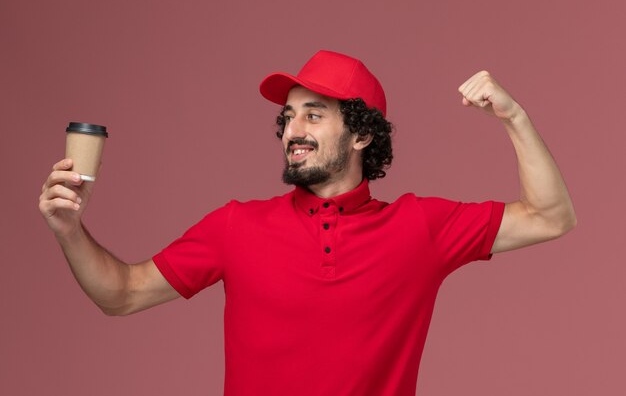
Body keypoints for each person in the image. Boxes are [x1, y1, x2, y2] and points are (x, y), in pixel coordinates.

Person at [39, 50, 576, 396]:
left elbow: (551, 217)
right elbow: (122, 294)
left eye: (314, 114)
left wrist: (514, 118)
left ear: (361, 134)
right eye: (288, 116)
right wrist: (69, 229)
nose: (292, 129)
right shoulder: (236, 226)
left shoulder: (421, 227)